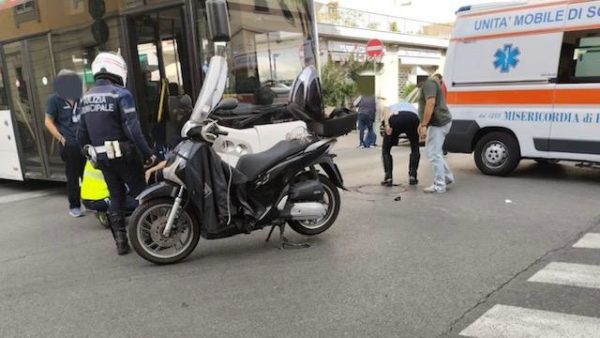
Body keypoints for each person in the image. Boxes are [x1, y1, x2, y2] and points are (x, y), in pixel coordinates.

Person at [77, 52, 156, 255]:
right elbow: (133, 129)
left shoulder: (85, 98)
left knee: (116, 196)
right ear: (117, 70)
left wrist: (90, 152)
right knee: (142, 193)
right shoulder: (121, 94)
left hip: (102, 158)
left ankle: (121, 242)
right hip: (125, 154)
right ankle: (148, 237)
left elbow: (81, 134)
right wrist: (148, 154)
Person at [44, 69, 86, 217]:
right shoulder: (55, 99)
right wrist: (61, 138)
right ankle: (75, 206)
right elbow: (48, 122)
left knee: (87, 174)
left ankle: (90, 202)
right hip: (69, 144)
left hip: (84, 142)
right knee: (73, 176)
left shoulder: (80, 97)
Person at [418, 76, 454, 193]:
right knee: (435, 152)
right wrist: (422, 123)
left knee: (434, 154)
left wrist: (424, 124)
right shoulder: (430, 84)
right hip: (439, 122)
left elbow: (430, 102)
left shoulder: (428, 84)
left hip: (438, 123)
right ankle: (446, 177)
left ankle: (439, 185)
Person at [81, 161, 138, 228]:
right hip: (101, 198)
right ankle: (112, 216)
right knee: (137, 204)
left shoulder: (93, 157)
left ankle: (105, 212)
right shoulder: (109, 160)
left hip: (87, 199)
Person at [381, 101, 421, 187]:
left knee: (386, 149)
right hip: (413, 118)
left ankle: (388, 177)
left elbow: (385, 110)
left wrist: (387, 125)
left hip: (396, 118)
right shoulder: (412, 107)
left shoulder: (391, 106)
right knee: (415, 147)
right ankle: (412, 176)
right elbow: (419, 116)